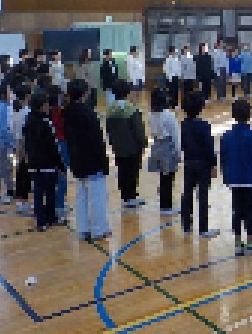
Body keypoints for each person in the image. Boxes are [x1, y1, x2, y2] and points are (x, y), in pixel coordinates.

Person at [64, 79, 111, 241]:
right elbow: (97, 140)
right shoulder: (88, 113)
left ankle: (83, 228)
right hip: (92, 160)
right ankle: (99, 229)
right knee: (97, 197)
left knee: (81, 196)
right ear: (84, 93)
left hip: (76, 158)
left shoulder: (67, 112)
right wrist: (104, 162)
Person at [221, 100, 252, 255]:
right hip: (250, 180)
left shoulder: (226, 136)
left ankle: (237, 243)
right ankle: (249, 243)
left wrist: (227, 178)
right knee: (250, 211)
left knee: (236, 210)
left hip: (234, 179)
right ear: (249, 115)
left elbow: (224, 159)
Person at [180, 91, 220, 238]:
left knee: (187, 193)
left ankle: (186, 226)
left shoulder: (183, 124)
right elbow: (209, 148)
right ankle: (203, 229)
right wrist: (213, 165)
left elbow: (183, 144)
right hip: (203, 164)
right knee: (203, 195)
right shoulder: (204, 126)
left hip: (188, 162)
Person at [24, 93, 64, 231]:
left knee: (38, 193)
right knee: (50, 192)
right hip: (47, 164)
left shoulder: (28, 121)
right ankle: (51, 218)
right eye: (46, 104)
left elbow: (27, 144)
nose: (48, 107)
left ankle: (41, 222)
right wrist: (60, 164)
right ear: (41, 107)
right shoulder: (46, 123)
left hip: (34, 164)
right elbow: (53, 146)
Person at [106, 80, 148, 209]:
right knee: (132, 171)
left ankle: (125, 196)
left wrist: (112, 143)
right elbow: (138, 130)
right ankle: (131, 196)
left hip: (118, 147)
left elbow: (108, 130)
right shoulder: (131, 110)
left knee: (122, 170)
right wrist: (143, 143)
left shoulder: (110, 110)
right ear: (127, 92)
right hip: (132, 147)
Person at [147, 88, 180, 215]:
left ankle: (164, 204)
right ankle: (166, 207)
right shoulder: (169, 115)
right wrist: (178, 152)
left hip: (157, 146)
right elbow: (175, 135)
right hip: (167, 146)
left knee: (163, 176)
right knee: (168, 178)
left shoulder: (151, 115)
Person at [48, 86, 69, 222]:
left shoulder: (45, 112)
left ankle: (55, 204)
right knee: (61, 175)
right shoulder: (59, 112)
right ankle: (59, 206)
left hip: (51, 145)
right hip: (61, 143)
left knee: (53, 176)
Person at [0, 85, 15, 204]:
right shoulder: (3, 108)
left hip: (1, 142)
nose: (10, 94)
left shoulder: (1, 106)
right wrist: (11, 143)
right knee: (2, 167)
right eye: (8, 92)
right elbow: (3, 129)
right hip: (2, 143)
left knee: (5, 166)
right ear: (3, 95)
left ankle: (8, 190)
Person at [12, 85, 32, 213]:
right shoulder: (26, 112)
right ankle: (23, 202)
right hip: (24, 145)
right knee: (25, 174)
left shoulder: (17, 112)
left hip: (19, 144)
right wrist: (24, 152)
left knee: (20, 173)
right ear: (26, 96)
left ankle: (20, 199)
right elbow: (23, 134)